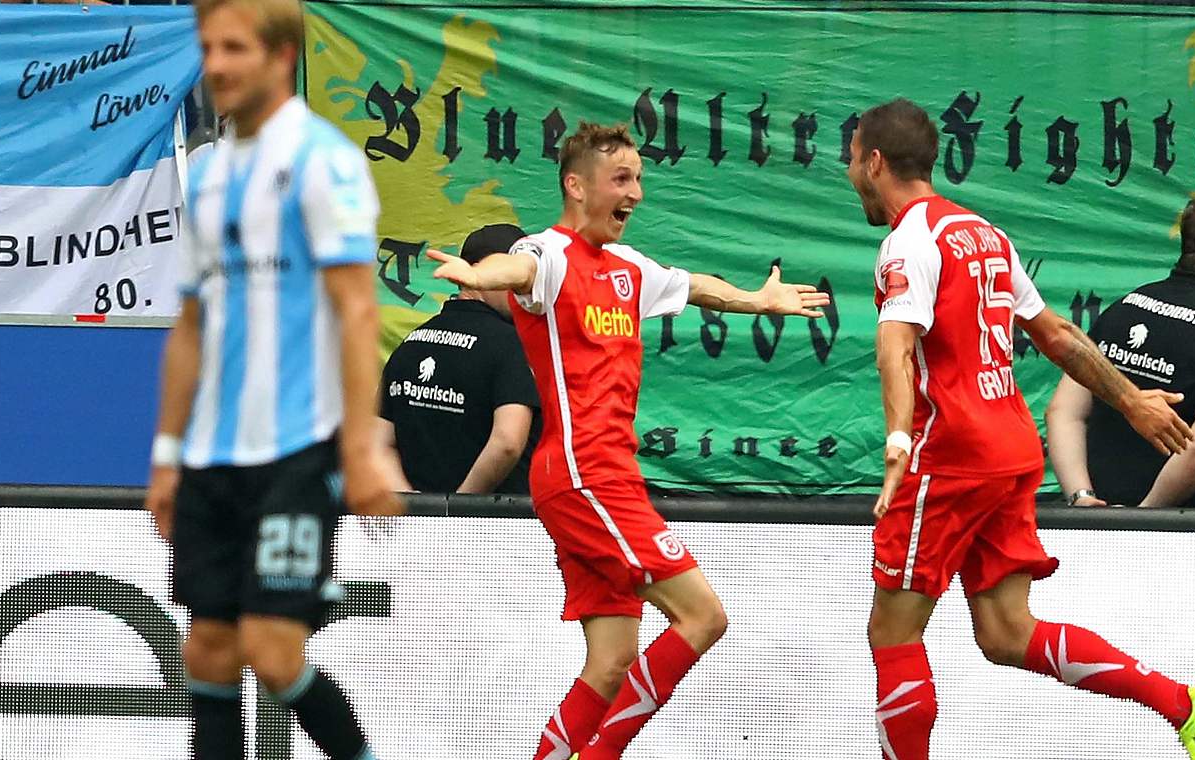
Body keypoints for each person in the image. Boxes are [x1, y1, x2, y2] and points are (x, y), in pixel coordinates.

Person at [427, 121, 830, 760]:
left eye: (639, 178)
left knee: (612, 661)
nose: (636, 193)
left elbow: (694, 285)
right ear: (575, 186)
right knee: (705, 617)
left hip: (601, 478)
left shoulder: (627, 267)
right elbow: (519, 267)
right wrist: (482, 272)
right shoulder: (550, 255)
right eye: (621, 179)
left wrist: (757, 300)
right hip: (586, 475)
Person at [850, 98, 1195, 759]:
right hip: (1009, 450)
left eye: (852, 160)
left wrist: (897, 442)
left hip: (950, 458)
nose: (850, 171)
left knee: (893, 634)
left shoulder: (907, 240)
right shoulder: (982, 233)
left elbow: (896, 347)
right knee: (1005, 633)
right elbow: (1055, 334)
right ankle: (1186, 706)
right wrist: (1131, 399)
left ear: (875, 162)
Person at [142, 2, 400, 759]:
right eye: (208, 48)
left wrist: (360, 447)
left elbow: (358, 312)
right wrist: (166, 451)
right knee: (209, 652)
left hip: (297, 450)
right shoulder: (212, 172)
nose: (215, 65)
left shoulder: (325, 162)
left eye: (234, 49)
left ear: (282, 56)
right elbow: (191, 325)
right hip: (211, 457)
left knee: (272, 648)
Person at [1047, 190, 1195, 508]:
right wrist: (1145, 518)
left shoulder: (1129, 305)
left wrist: (1083, 499)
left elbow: (1063, 411)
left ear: (1187, 248)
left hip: (1102, 533)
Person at [378, 223, 541, 494]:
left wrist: (418, 508)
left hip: (419, 531)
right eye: (508, 275)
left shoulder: (411, 343)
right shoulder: (513, 347)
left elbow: (378, 442)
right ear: (474, 272)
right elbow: (508, 441)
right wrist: (460, 507)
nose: (522, 287)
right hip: (502, 529)